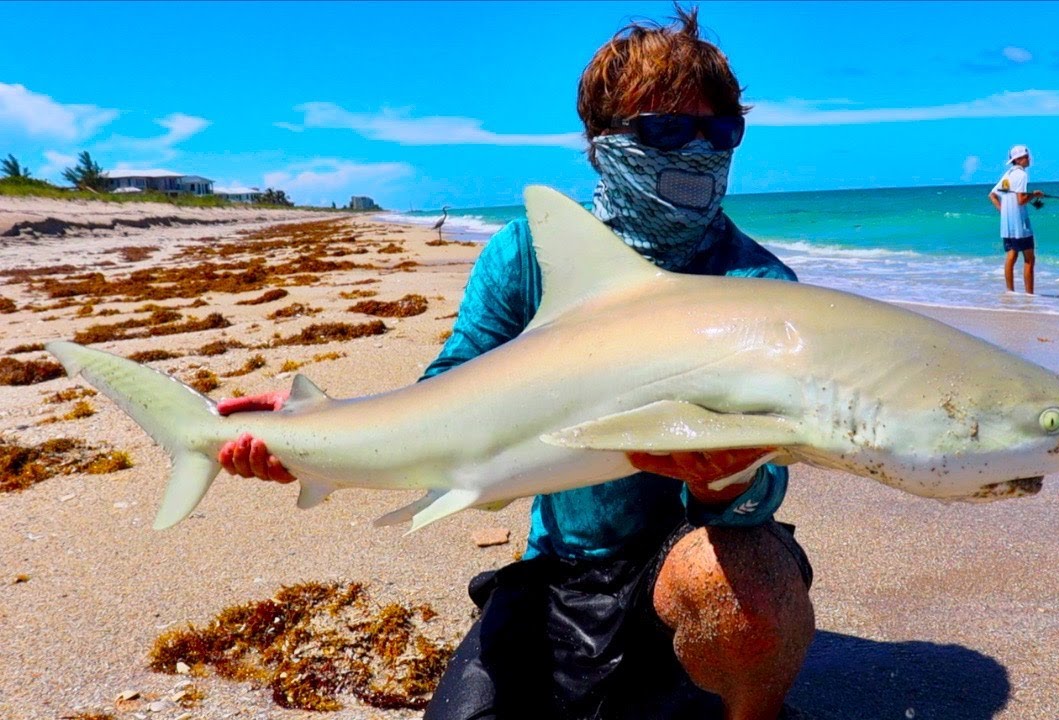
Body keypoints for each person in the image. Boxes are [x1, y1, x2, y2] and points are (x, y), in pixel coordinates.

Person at [214, 7, 815, 720]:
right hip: (563, 562)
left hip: (696, 548)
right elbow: (450, 389)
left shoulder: (758, 290)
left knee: (740, 595)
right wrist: (318, 432)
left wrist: (723, 487)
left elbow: (767, 478)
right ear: (603, 141)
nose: (696, 151)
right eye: (665, 129)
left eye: (719, 132)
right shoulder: (532, 254)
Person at [988, 144, 1044, 294]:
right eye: (1026, 156)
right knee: (1029, 260)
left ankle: (1010, 292)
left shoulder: (1008, 175)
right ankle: (1029, 295)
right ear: (1018, 160)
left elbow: (992, 195)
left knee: (1011, 256)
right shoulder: (1021, 175)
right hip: (1020, 225)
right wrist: (1034, 195)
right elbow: (1020, 200)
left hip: (1007, 225)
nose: (1029, 159)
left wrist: (1004, 212)